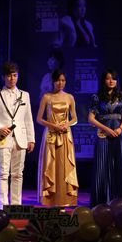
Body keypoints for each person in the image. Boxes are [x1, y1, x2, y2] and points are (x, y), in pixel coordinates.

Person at [0, 62, 36, 208]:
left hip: (20, 138)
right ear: (3, 77)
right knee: (3, 173)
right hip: (3, 138)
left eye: (15, 75)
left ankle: (16, 205)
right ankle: (3, 205)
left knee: (18, 174)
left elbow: (28, 118)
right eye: (9, 75)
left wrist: (31, 139)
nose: (12, 78)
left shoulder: (25, 95)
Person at [88, 70, 122, 207]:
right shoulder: (97, 97)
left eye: (114, 78)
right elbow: (91, 119)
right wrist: (106, 129)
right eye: (108, 78)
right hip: (103, 133)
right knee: (102, 165)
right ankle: (100, 201)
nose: (111, 81)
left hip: (118, 133)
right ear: (103, 80)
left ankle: (118, 201)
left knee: (119, 165)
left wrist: (120, 129)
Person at [36, 69, 78, 206]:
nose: (60, 83)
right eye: (58, 80)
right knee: (51, 164)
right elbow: (39, 119)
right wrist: (53, 125)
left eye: (63, 80)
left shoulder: (70, 97)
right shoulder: (46, 97)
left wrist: (66, 124)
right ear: (53, 81)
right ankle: (50, 199)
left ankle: (65, 199)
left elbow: (75, 118)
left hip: (65, 134)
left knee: (64, 165)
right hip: (51, 134)